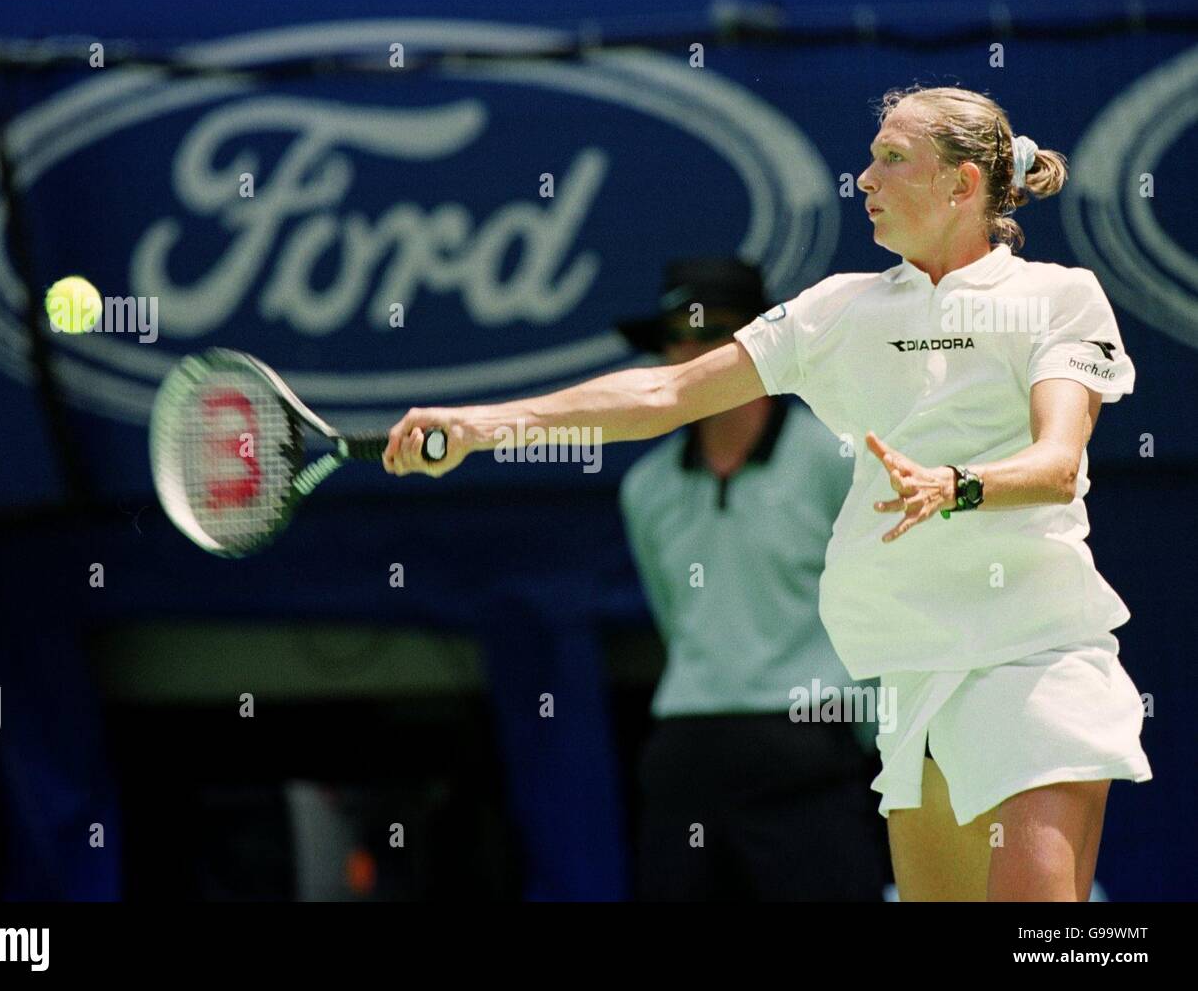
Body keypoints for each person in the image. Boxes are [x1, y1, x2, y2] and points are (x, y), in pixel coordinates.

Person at [382, 85, 1152, 902]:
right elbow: (661, 397)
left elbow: (1058, 462)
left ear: (963, 185)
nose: (865, 179)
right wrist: (480, 425)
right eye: (870, 157)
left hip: (1035, 657)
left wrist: (955, 485)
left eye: (892, 159)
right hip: (915, 675)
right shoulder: (838, 311)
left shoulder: (1059, 296)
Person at [614, 257, 885, 900]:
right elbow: (675, 619)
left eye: (715, 335)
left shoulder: (836, 458)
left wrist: (883, 738)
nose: (694, 355)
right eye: (677, 336)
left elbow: (880, 607)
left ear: (758, 347)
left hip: (813, 749)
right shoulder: (645, 488)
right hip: (686, 756)